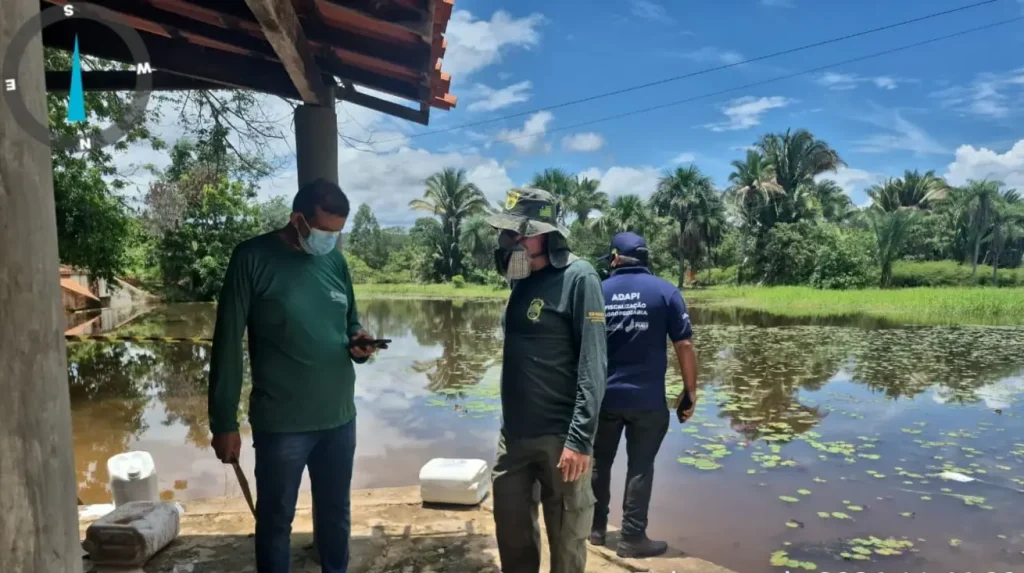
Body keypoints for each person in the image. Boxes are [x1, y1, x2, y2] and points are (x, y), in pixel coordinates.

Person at [208, 178, 380, 573]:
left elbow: (349, 320)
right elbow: (228, 342)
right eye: (323, 231)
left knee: (336, 513)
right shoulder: (252, 258)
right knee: (274, 520)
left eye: (336, 233)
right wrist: (223, 421)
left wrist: (359, 342)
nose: (329, 241)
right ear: (297, 219)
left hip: (339, 418)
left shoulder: (335, 261)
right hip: (283, 424)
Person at [485, 188, 608, 573]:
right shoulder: (519, 281)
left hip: (561, 439)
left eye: (518, 233)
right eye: (507, 234)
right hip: (515, 437)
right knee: (512, 531)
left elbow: (594, 364)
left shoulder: (579, 277)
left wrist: (579, 439)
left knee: (567, 540)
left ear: (544, 234)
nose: (509, 242)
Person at [589, 232, 698, 558]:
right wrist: (689, 392)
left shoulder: (598, 291)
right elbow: (685, 344)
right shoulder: (665, 291)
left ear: (614, 259)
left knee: (599, 463)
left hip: (604, 398)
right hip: (648, 402)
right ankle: (632, 538)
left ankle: (595, 529)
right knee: (640, 466)